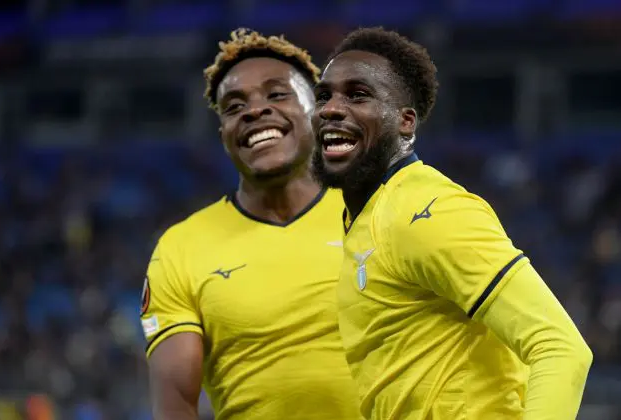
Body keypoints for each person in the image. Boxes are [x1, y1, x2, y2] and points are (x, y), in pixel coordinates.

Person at [311, 27, 592, 420]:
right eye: (323, 96)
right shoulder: (365, 216)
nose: (330, 108)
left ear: (406, 122)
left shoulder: (430, 211)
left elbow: (561, 347)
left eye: (358, 95)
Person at [140, 29, 361, 420]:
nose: (254, 110)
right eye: (233, 106)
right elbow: (174, 406)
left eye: (277, 94)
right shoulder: (181, 249)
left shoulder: (380, 210)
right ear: (224, 133)